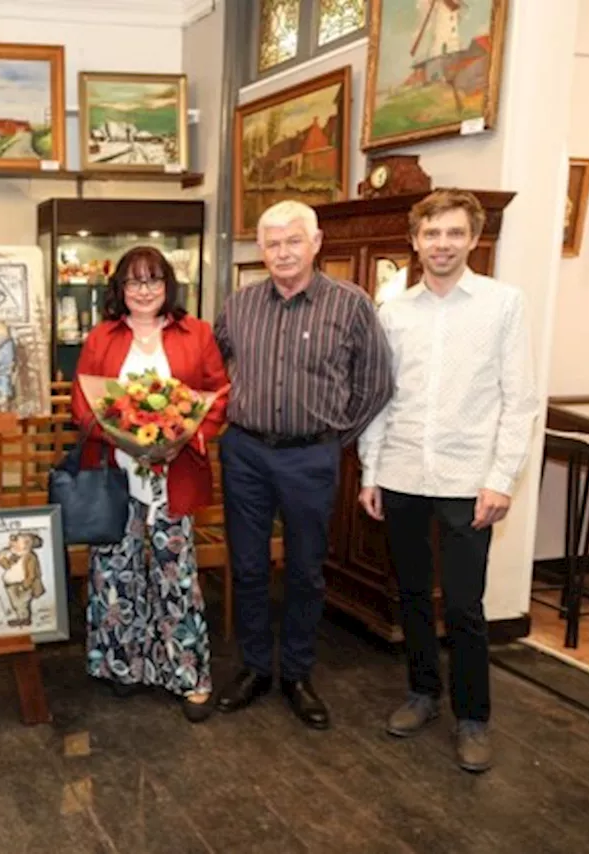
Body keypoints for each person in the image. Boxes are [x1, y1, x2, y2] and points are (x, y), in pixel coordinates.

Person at [358, 189, 539, 773]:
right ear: (415, 241)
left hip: (469, 481)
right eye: (432, 234)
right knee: (410, 596)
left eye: (454, 234)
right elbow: (380, 402)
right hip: (404, 471)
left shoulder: (503, 305)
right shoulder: (394, 312)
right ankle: (421, 694)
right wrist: (372, 470)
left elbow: (521, 400)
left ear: (473, 239)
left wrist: (501, 478)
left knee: (463, 605)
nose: (442, 245)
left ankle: (473, 717)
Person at [214, 200, 393, 730]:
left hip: (310, 455)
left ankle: (295, 672)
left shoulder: (351, 305)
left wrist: (336, 437)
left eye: (294, 240)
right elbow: (214, 365)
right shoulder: (239, 305)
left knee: (306, 570)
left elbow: (376, 382)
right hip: (244, 451)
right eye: (272, 243)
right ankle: (253, 668)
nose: (283, 252)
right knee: (246, 567)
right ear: (261, 250)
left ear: (316, 243)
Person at [72, 245, 229, 722]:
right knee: (114, 574)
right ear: (120, 288)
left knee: (175, 576)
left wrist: (181, 438)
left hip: (175, 473)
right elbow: (83, 404)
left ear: (168, 286)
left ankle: (187, 676)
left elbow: (217, 396)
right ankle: (124, 665)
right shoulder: (102, 336)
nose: (144, 291)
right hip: (115, 472)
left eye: (154, 280)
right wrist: (129, 440)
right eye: (134, 282)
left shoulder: (196, 333)